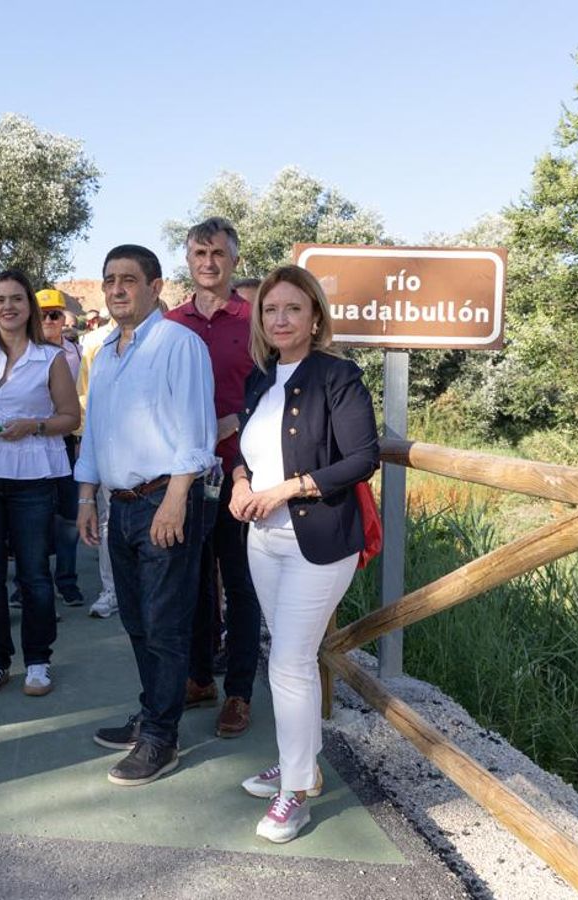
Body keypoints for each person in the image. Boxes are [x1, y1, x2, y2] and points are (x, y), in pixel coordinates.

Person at [230, 265, 378, 842]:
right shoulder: (259, 379)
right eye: (271, 310)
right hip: (263, 541)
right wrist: (242, 482)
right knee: (288, 657)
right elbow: (246, 452)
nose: (281, 319)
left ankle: (294, 793)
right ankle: (304, 768)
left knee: (289, 661)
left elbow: (361, 457)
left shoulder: (338, 376)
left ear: (315, 315)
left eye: (293, 308)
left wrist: (286, 490)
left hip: (319, 542)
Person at [77, 245, 216, 787]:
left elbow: (196, 432)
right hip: (122, 506)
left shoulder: (178, 345)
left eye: (129, 280)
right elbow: (95, 434)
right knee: (136, 620)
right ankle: (152, 711)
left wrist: (178, 500)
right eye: (110, 280)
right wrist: (88, 497)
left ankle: (163, 735)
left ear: (155, 287)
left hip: (164, 502)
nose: (116, 289)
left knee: (165, 623)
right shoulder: (106, 352)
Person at [0, 271, 81, 696]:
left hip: (33, 476)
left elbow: (70, 418)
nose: (7, 306)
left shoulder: (51, 357)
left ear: (30, 308)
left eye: (16, 299)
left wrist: (35, 425)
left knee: (35, 575)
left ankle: (38, 660)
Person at [165, 217, 263, 739]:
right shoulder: (171, 324)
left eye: (218, 253)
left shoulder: (255, 322)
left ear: (234, 261)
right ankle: (200, 677)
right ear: (189, 260)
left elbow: (272, 394)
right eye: (200, 253)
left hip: (240, 474)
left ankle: (240, 693)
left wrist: (231, 424)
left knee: (241, 584)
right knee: (195, 582)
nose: (208, 262)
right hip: (184, 478)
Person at [9, 287, 84, 609]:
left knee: (68, 516)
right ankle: (23, 585)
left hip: (66, 442)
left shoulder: (76, 354)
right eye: (43, 314)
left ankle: (66, 582)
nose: (50, 320)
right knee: (29, 517)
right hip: (29, 443)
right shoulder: (21, 353)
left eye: (56, 314)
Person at [74, 314, 122, 618]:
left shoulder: (172, 339)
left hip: (156, 462)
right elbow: (85, 396)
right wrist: (82, 440)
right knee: (107, 522)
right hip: (107, 449)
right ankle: (111, 591)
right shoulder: (96, 343)